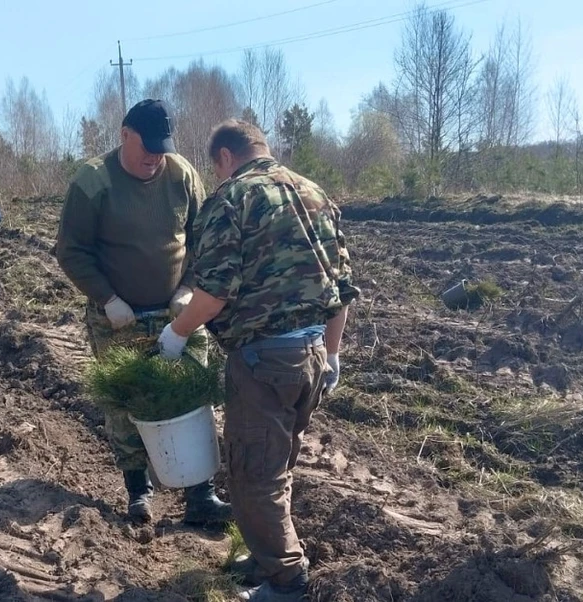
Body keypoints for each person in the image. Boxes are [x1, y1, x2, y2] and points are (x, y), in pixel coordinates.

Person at [157, 120, 358, 602]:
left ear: (225, 156)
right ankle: (266, 554)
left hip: (264, 359)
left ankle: (287, 584)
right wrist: (331, 353)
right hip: (310, 356)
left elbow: (216, 292)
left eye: (216, 167)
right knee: (278, 464)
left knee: (253, 475)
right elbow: (343, 288)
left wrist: (176, 332)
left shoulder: (232, 199)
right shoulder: (313, 193)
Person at [55, 99, 232, 526]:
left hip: (180, 314)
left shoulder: (181, 175)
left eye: (161, 149)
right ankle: (139, 491)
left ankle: (200, 495)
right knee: (127, 404)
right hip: (120, 317)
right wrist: (107, 298)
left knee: (191, 396)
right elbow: (71, 251)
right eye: (146, 148)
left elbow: (203, 240)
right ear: (124, 135)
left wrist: (188, 289)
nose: (154, 157)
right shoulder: (94, 182)